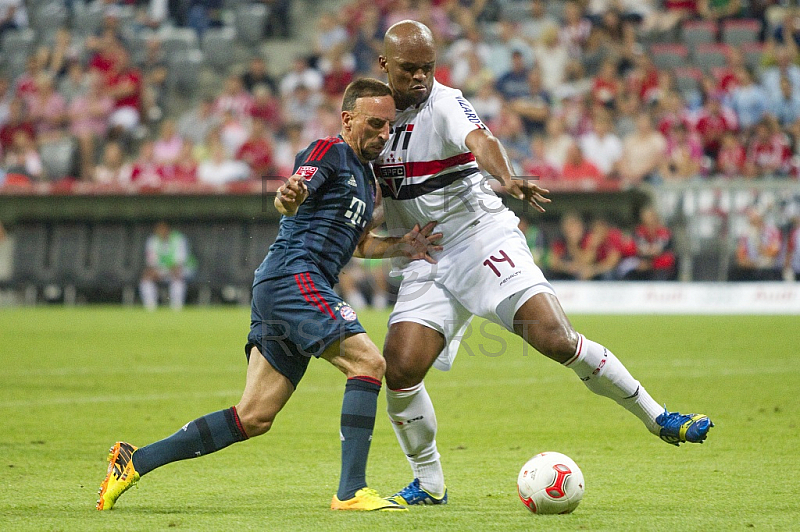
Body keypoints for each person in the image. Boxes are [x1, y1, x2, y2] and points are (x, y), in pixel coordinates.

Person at [373, 21, 713, 507]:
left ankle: (659, 417)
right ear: (385, 65)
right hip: (426, 256)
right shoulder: (373, 119)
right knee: (401, 370)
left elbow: (480, 140)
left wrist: (507, 178)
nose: (422, 78)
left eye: (428, 67)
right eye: (410, 70)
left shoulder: (444, 102)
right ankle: (429, 484)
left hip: (480, 238)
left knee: (555, 339)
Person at [96, 78, 442, 512]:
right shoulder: (329, 151)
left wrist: (402, 246)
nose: (383, 134)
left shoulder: (366, 179)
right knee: (370, 363)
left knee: (254, 416)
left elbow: (358, 245)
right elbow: (292, 195)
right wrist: (290, 195)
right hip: (294, 277)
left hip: (283, 286)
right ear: (348, 118)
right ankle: (352, 490)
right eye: (375, 124)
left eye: (389, 127)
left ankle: (134, 461)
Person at [139, 221, 196, 310]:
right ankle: (150, 308)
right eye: (158, 229)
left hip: (184, 269)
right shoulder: (153, 240)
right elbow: (151, 263)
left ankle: (176, 307)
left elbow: (179, 264)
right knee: (146, 278)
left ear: (168, 229)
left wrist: (165, 273)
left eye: (163, 229)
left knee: (177, 277)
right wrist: (155, 272)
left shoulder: (179, 239)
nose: (161, 231)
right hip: (162, 270)